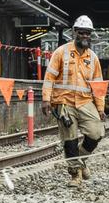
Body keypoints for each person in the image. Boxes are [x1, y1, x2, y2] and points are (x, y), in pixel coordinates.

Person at [41, 15, 105, 185]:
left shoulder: (93, 58)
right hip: (64, 102)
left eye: (88, 33)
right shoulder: (61, 52)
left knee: (96, 132)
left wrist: (100, 109)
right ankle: (75, 174)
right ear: (75, 32)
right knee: (70, 138)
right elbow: (49, 77)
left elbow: (98, 86)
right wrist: (46, 99)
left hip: (85, 102)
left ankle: (80, 159)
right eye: (82, 32)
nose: (85, 36)